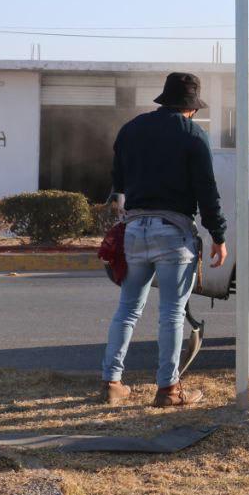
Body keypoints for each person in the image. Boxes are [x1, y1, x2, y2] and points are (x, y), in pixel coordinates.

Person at [102, 72, 228, 407]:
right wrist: (218, 235)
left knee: (128, 309)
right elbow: (207, 192)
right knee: (171, 313)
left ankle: (112, 382)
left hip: (134, 228)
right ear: (191, 107)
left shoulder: (131, 129)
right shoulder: (192, 134)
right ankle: (168, 390)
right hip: (172, 231)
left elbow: (119, 180)